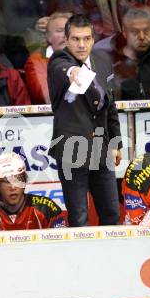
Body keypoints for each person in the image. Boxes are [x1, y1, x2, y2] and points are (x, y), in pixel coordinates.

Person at [48, 14, 122, 227]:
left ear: (93, 39)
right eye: (76, 39)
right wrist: (73, 72)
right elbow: (61, 68)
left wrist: (116, 142)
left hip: (102, 149)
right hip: (72, 151)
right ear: (67, 40)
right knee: (79, 219)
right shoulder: (59, 60)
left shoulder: (102, 61)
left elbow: (110, 105)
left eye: (86, 38)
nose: (81, 44)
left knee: (112, 214)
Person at [0, 152, 66, 231]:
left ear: (24, 180)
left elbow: (62, 246)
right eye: (6, 181)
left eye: (17, 180)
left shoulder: (46, 208)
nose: (13, 187)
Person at [24, 12, 72, 105]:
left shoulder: (84, 58)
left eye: (68, 31)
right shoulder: (36, 61)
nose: (65, 35)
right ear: (48, 37)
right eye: (59, 30)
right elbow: (44, 95)